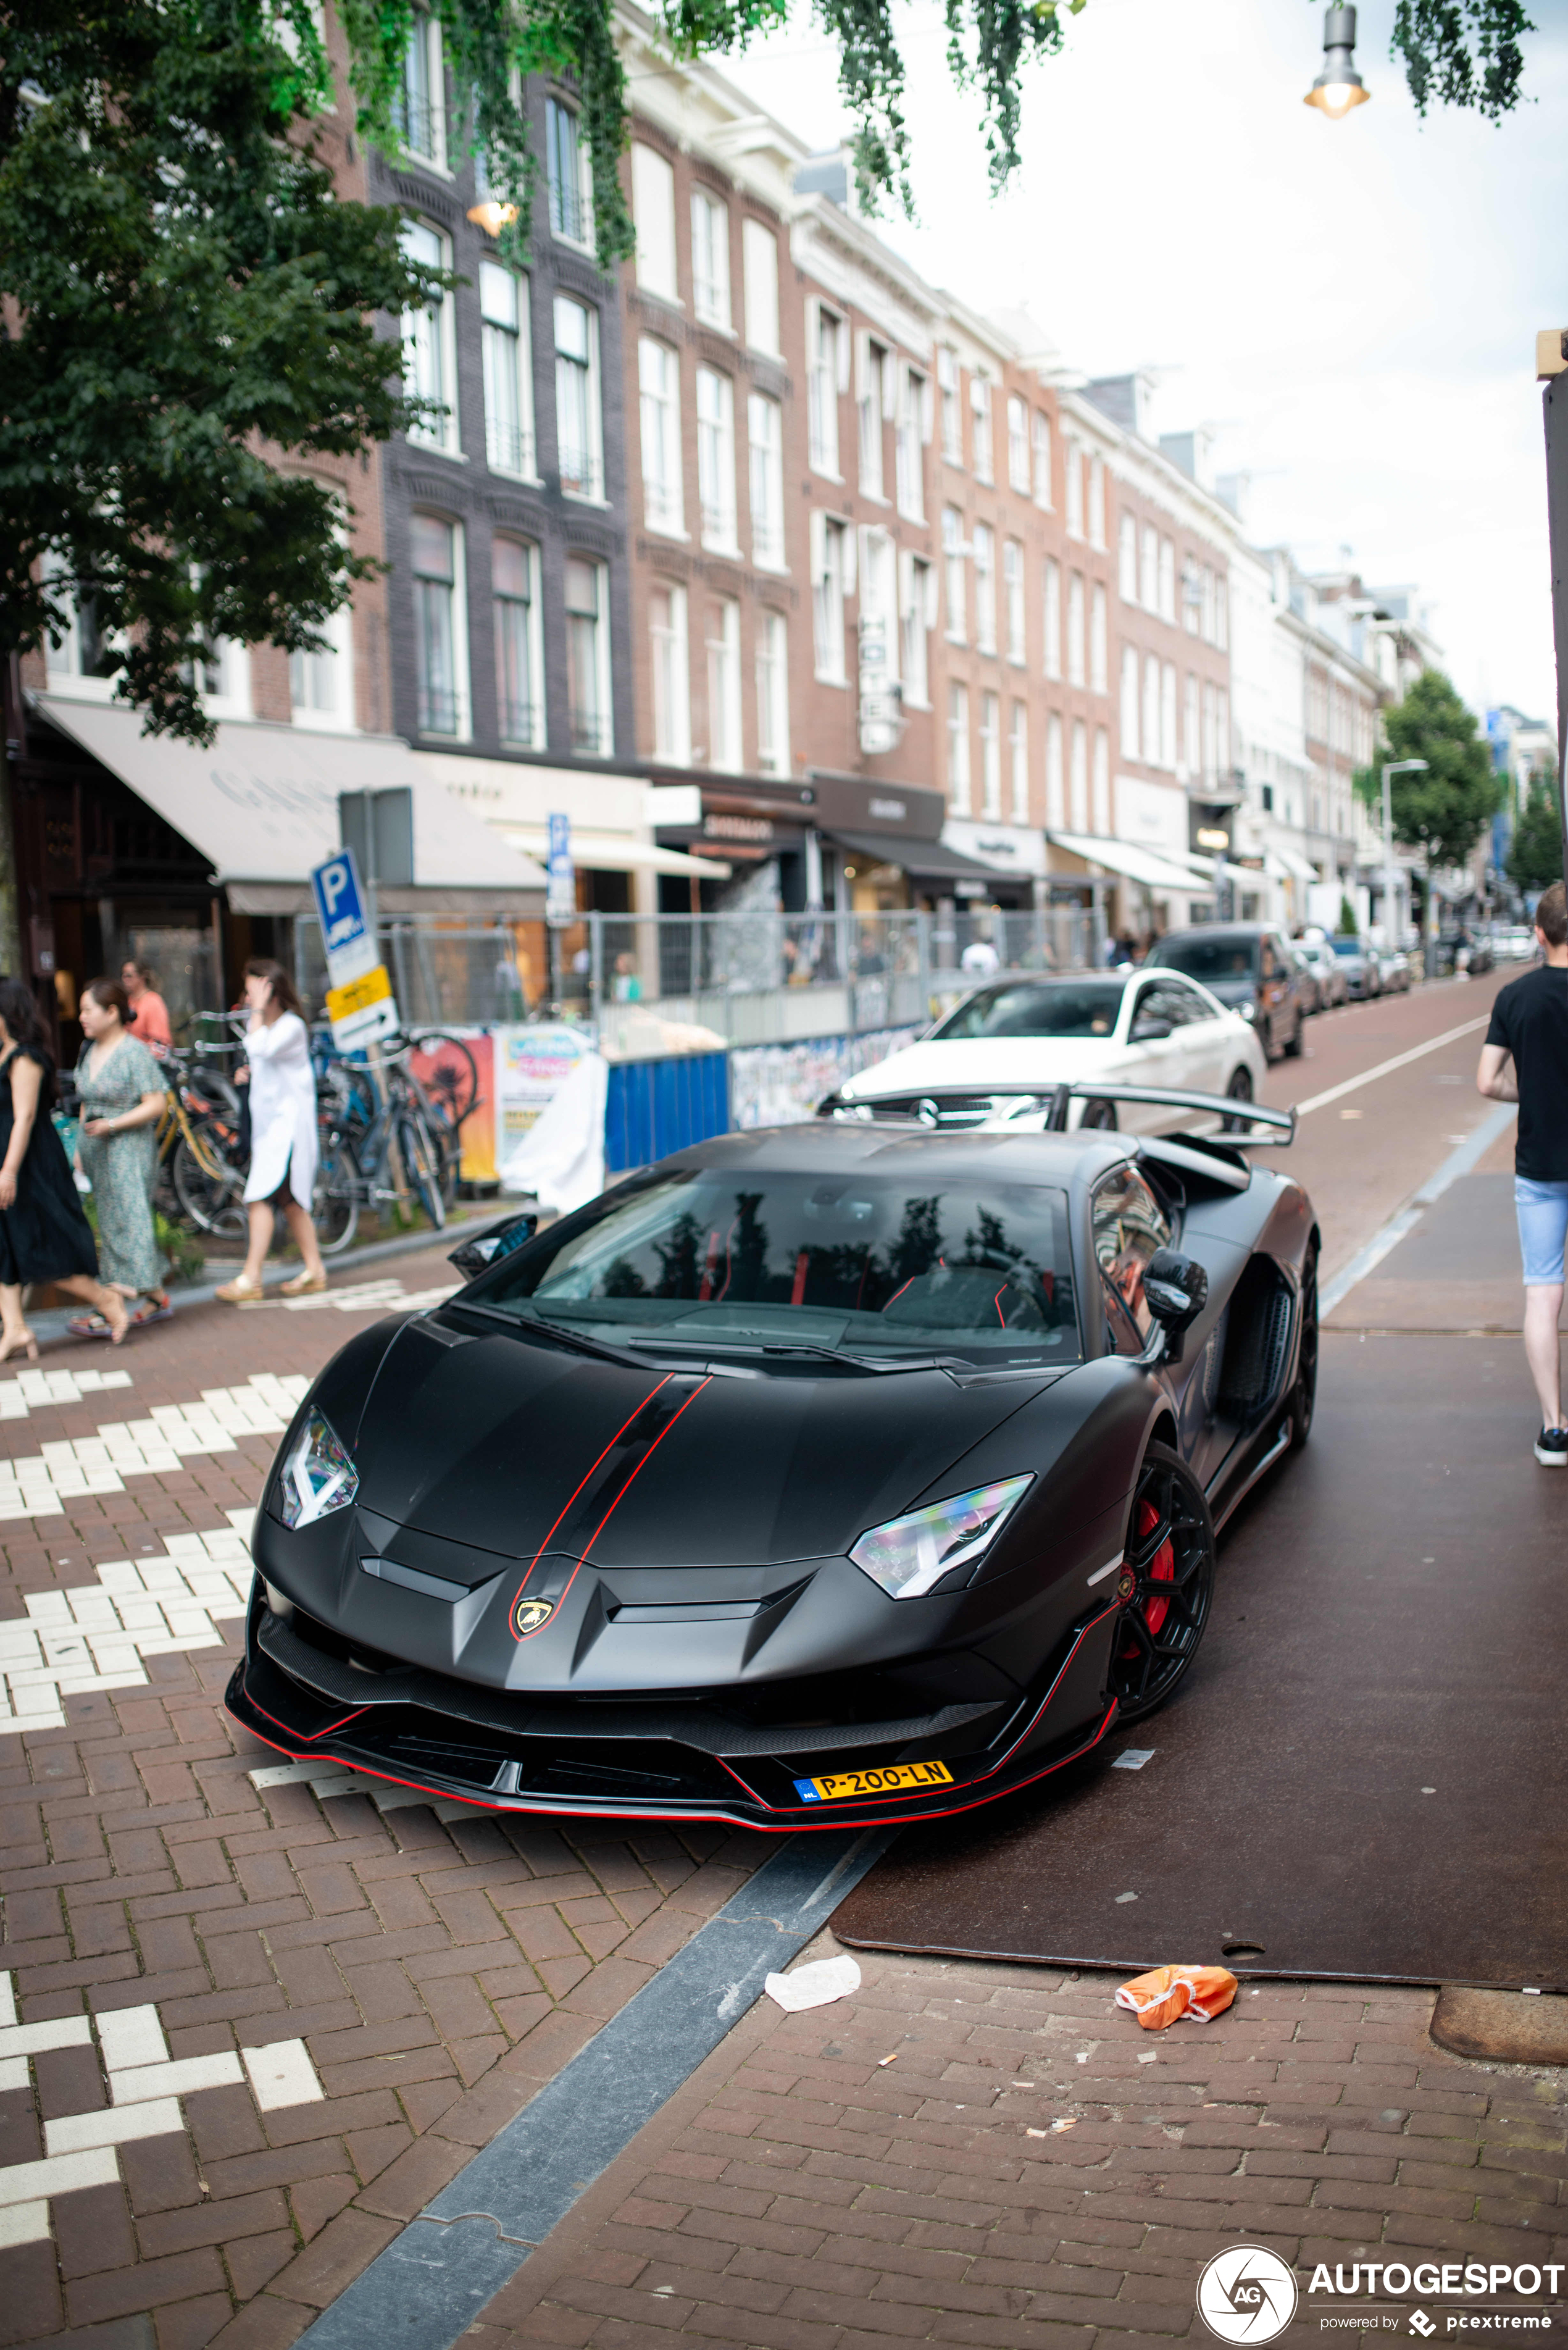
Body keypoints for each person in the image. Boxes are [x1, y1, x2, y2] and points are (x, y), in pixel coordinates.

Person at [1476, 879, 1568, 1465]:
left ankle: (1555, 1428)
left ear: (1539, 933)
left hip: (1540, 1165)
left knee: (1543, 1292)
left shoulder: (1515, 996)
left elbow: (1487, 1080)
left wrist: (1528, 1093)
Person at [0, 977, 129, 1360]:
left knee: (45, 1250)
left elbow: (23, 1118)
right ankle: (16, 1329)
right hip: (9, 1161)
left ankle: (107, 1299)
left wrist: (8, 1172)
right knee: (5, 1247)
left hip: (31, 1166)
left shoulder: (26, 1057)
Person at [216, 960, 327, 1303]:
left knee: (260, 1196)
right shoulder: (266, 1026)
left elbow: (261, 1047)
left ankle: (252, 1278)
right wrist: (248, 1077)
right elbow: (260, 1055)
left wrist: (260, 1012)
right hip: (273, 1130)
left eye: (253, 990)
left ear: (270, 991)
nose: (248, 999)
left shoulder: (292, 1026)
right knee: (290, 1201)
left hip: (288, 1130)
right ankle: (315, 1270)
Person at [70, 979, 172, 1335]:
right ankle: (157, 1297)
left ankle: (113, 1300)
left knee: (132, 1220)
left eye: (87, 1009)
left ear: (112, 1012)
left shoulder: (133, 1051)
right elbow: (86, 1100)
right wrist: (82, 1148)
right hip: (96, 1149)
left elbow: (156, 1103)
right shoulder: (88, 1048)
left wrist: (113, 1124)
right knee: (112, 1224)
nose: (81, 1016)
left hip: (128, 1148)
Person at [120, 960, 172, 1057]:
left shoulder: (153, 1002)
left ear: (142, 977)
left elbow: (161, 1043)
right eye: (123, 975)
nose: (124, 979)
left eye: (129, 976)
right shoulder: (129, 1001)